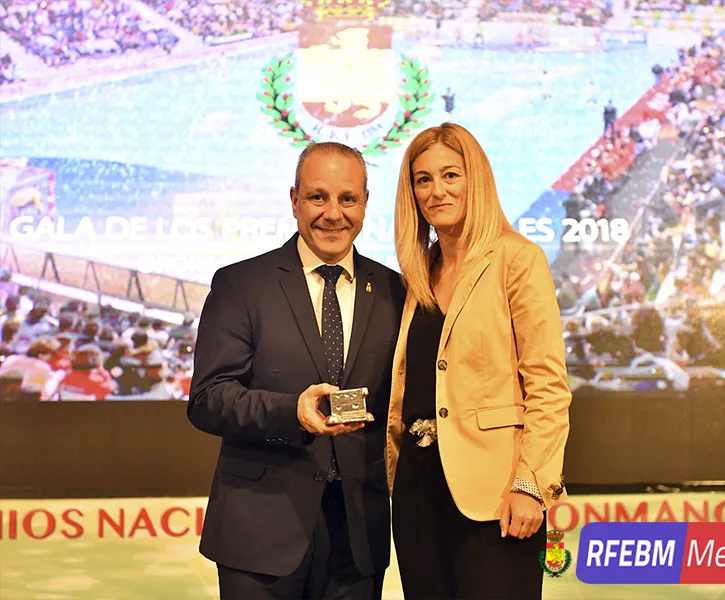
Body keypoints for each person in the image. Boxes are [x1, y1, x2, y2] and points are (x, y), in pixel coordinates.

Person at [188, 142, 405, 599]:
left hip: (358, 539)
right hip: (259, 534)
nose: (333, 213)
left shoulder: (395, 290)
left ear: (365, 202)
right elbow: (209, 398)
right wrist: (292, 412)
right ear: (294, 200)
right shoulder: (241, 284)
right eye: (317, 197)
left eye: (347, 198)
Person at [387, 123, 571, 599]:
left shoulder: (518, 258)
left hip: (497, 494)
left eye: (451, 174)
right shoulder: (418, 273)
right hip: (417, 490)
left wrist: (531, 484)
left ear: (477, 180)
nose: (437, 190)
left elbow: (548, 386)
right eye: (423, 180)